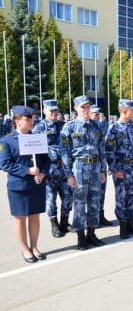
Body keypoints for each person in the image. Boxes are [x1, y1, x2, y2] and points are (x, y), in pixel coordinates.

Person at [0, 106, 49, 263]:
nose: (31, 122)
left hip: (36, 184)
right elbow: (4, 164)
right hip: (18, 186)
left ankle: (34, 246)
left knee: (35, 217)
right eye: (27, 119)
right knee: (20, 218)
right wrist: (28, 170)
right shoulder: (6, 140)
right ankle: (25, 249)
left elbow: (47, 161)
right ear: (17, 121)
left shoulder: (37, 138)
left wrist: (43, 173)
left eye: (32, 119)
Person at [61, 95, 107, 250]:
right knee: (79, 204)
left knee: (94, 202)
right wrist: (68, 175)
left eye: (88, 107)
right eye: (83, 107)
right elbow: (65, 152)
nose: (86, 110)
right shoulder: (69, 127)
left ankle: (92, 234)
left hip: (95, 167)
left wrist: (102, 170)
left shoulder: (97, 126)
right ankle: (81, 237)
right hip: (78, 168)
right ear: (75, 108)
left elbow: (102, 150)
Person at [32, 99, 73, 238]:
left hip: (64, 168)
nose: (54, 113)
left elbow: (70, 146)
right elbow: (35, 153)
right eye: (51, 111)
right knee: (51, 200)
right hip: (49, 169)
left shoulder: (64, 126)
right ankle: (54, 225)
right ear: (44, 111)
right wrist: (39, 170)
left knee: (68, 197)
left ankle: (64, 222)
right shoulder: (39, 128)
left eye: (56, 110)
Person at [105, 99, 133, 239]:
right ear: (124, 111)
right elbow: (109, 151)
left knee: (132, 196)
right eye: (132, 110)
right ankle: (123, 225)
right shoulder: (114, 128)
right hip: (121, 168)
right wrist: (115, 169)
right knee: (121, 197)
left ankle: (131, 223)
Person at [90, 106, 113, 226]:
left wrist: (106, 167)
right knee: (91, 195)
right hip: (89, 167)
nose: (97, 116)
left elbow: (104, 149)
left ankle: (100, 215)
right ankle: (92, 219)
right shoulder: (85, 127)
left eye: (98, 114)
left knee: (101, 192)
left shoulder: (101, 127)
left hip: (101, 165)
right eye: (94, 113)